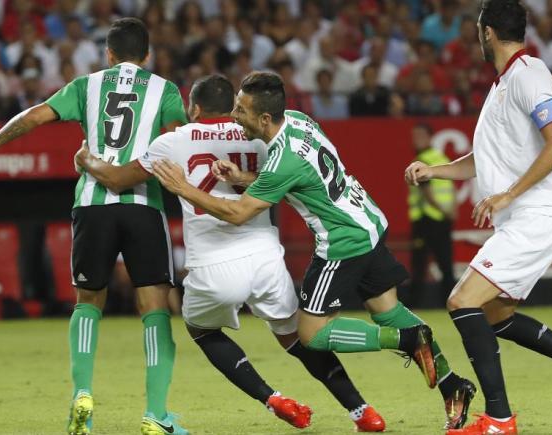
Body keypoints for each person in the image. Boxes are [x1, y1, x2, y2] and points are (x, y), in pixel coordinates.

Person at [151, 71, 477, 431]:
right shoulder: (300, 122)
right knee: (388, 310)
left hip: (341, 242)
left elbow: (239, 212)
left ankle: (407, 339)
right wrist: (243, 178)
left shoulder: (280, 160)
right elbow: (302, 180)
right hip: (366, 220)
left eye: (240, 110)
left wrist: (183, 187)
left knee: (311, 335)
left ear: (263, 118)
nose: (233, 117)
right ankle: (453, 386)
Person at [76, 74, 394, 432]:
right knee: (298, 338)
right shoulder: (260, 136)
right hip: (266, 260)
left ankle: (272, 398)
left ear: (194, 108)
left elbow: (118, 179)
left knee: (201, 329)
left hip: (213, 265)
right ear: (232, 107)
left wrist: (87, 159)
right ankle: (362, 410)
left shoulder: (172, 142)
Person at [0, 18, 189, 435]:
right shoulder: (165, 91)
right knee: (154, 309)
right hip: (142, 206)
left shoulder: (87, 85)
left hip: (91, 205)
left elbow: (34, 116)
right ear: (148, 55)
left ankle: (82, 395)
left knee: (88, 303)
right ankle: (156, 415)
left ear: (109, 54)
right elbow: (175, 149)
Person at [404, 2, 552, 434]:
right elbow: (483, 160)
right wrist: (436, 170)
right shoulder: (504, 84)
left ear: (487, 32)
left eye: (477, 30)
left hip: (539, 213)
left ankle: (500, 418)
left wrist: (507, 195)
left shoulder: (529, 75)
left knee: (462, 302)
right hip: (524, 216)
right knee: (495, 315)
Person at [407, 123, 456, 307]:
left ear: (429, 138)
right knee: (446, 264)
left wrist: (445, 211)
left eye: (420, 135)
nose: (416, 139)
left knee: (419, 265)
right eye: (415, 136)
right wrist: (450, 211)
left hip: (426, 219)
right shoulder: (441, 158)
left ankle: (414, 304)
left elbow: (427, 192)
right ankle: (451, 303)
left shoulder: (422, 160)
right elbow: (449, 187)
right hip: (442, 219)